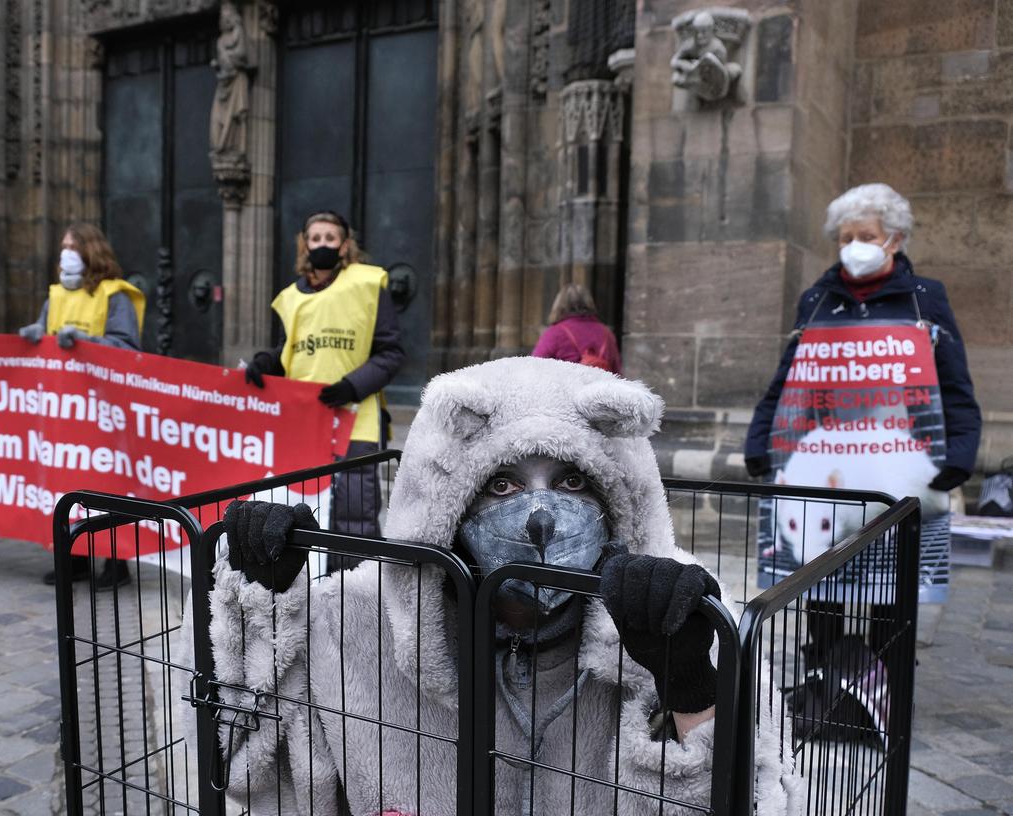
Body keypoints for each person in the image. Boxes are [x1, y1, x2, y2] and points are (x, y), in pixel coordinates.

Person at [197, 357, 801, 814]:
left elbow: (758, 800)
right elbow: (253, 776)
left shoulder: (687, 613)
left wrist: (688, 683)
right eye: (502, 485)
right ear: (447, 506)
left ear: (618, 505)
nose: (541, 516)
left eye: (571, 483)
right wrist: (263, 600)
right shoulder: (351, 620)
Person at [745, 183, 981, 490]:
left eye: (867, 237)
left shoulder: (924, 298)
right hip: (826, 462)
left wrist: (959, 457)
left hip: (903, 461)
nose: (854, 245)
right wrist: (758, 442)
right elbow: (789, 382)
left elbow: (952, 384)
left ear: (895, 241)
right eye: (846, 238)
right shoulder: (817, 301)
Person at [243, 210, 404, 544]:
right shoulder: (289, 297)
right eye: (315, 238)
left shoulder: (368, 283)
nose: (322, 244)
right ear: (305, 244)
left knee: (354, 510)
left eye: (330, 238)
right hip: (304, 420)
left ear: (345, 245)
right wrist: (264, 362)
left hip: (355, 417)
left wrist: (352, 386)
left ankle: (357, 589)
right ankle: (313, 585)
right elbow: (290, 350)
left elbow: (391, 353)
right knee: (303, 507)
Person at [20, 223, 145, 589]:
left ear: (90, 251)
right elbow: (46, 341)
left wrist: (88, 341)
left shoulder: (114, 296)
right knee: (67, 481)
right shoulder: (55, 296)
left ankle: (116, 562)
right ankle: (74, 559)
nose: (66, 254)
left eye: (72, 246)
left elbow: (128, 349)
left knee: (109, 483)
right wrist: (34, 337)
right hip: (65, 406)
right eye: (63, 247)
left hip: (105, 408)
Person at [531, 282, 622, 374]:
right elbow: (617, 372)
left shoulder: (555, 332)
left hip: (567, 387)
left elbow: (535, 367)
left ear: (559, 305)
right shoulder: (606, 333)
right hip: (602, 387)